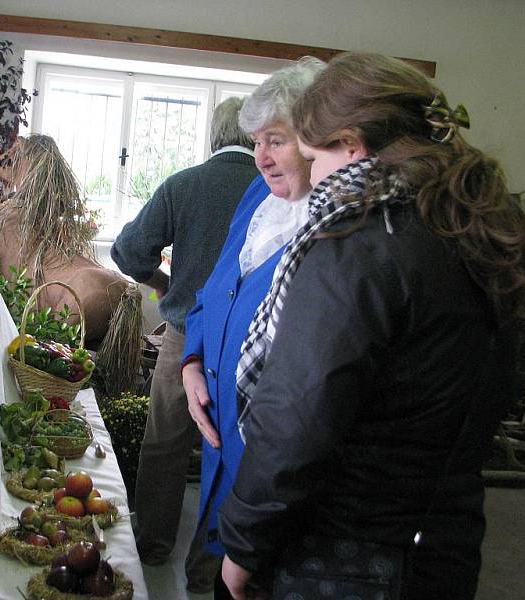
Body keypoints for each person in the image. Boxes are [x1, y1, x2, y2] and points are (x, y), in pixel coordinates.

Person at [219, 52, 525, 600]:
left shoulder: (357, 240)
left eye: (313, 156)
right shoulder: (479, 221)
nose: (313, 175)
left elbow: (297, 416)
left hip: (347, 553)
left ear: (352, 146)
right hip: (446, 540)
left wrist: (243, 542)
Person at [179, 58, 325, 597]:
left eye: (276, 140)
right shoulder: (256, 199)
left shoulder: (328, 223)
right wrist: (191, 362)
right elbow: (210, 294)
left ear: (316, 140)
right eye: (257, 141)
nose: (261, 157)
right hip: (222, 445)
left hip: (271, 466)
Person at [109, 96, 260, 590]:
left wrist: (162, 283)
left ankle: (152, 546)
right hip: (248, 343)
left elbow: (127, 252)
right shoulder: (272, 190)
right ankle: (207, 570)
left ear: (213, 137)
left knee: (165, 444)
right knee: (232, 453)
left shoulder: (183, 184)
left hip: (183, 339)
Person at [0, 134, 128, 347]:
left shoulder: (1, 228)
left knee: (52, 357)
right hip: (113, 282)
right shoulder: (53, 227)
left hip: (82, 295)